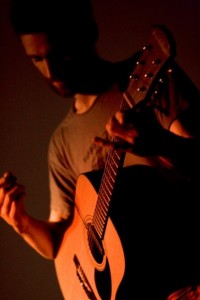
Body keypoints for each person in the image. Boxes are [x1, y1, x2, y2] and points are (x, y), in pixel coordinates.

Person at [0, 0, 199, 299]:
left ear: (87, 32)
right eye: (36, 59)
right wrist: (23, 224)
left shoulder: (148, 79)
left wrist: (159, 144)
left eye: (57, 53)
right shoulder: (61, 143)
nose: (51, 70)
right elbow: (62, 244)